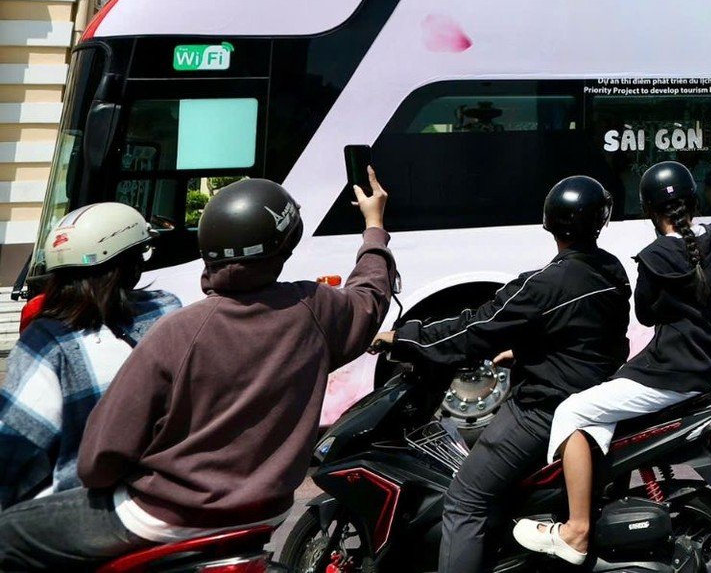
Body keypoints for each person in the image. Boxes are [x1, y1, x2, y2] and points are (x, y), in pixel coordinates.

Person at [0, 175, 394, 570]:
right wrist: (373, 228)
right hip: (263, 514)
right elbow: (371, 294)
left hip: (165, 516)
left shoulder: (178, 330)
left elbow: (98, 462)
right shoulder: (316, 309)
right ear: (287, 246)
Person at [380, 177, 630, 573]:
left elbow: (475, 328)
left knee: (464, 500)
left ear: (549, 223)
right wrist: (524, 351)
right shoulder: (611, 270)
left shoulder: (544, 284)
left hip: (544, 408)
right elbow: (583, 334)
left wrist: (403, 339)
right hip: (590, 393)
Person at [513, 163, 711, 565]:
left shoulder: (656, 258)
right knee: (602, 405)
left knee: (574, 409)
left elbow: (647, 315)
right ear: (693, 200)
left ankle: (576, 531)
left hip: (672, 373)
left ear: (649, 211)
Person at [0, 205, 179, 509]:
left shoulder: (48, 341)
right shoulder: (167, 310)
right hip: (172, 491)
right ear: (131, 266)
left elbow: (16, 449)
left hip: (86, 508)